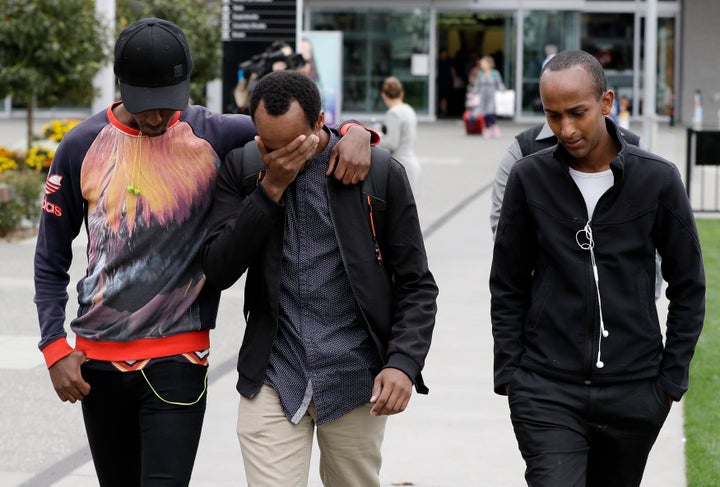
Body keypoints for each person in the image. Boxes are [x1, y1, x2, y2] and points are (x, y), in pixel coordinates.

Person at [33, 18, 375, 487]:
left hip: (179, 358)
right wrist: (54, 348)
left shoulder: (213, 132)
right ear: (121, 88)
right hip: (96, 362)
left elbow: (302, 128)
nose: (156, 118)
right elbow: (50, 259)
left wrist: (357, 131)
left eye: (166, 106)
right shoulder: (79, 146)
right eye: (144, 107)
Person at [201, 70, 438, 486]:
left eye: (293, 145)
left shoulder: (378, 173)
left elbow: (417, 284)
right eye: (268, 145)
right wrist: (268, 189)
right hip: (273, 376)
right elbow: (218, 269)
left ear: (319, 123)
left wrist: (403, 362)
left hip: (355, 377)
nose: (279, 156)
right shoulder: (245, 167)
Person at [490, 49, 705, 486]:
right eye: (553, 116)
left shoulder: (657, 179)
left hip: (634, 391)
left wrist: (668, 383)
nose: (565, 129)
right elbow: (507, 283)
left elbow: (689, 285)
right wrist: (512, 374)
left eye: (577, 113)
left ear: (607, 103)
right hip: (545, 387)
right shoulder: (529, 178)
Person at [378, 76, 421, 195]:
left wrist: (375, 138)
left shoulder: (393, 113)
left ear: (384, 95)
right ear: (401, 93)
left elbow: (392, 143)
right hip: (412, 163)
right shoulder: (409, 109)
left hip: (400, 166)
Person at [469, 55, 505, 138]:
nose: (481, 65)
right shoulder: (480, 73)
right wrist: (473, 93)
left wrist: (502, 88)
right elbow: (477, 85)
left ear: (489, 64)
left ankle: (495, 127)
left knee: (490, 112)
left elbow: (499, 83)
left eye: (483, 63)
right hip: (483, 95)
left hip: (492, 95)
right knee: (485, 113)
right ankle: (488, 129)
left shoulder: (495, 73)